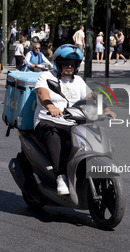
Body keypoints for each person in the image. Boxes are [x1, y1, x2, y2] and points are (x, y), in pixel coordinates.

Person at [33, 44, 116, 195]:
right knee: (54, 136)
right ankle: (60, 176)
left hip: (73, 121)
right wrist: (50, 106)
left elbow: (91, 97)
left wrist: (106, 109)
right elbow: (42, 93)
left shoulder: (78, 80)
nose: (69, 66)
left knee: (93, 135)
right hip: (48, 120)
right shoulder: (46, 76)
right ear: (58, 62)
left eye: (73, 64)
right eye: (65, 63)